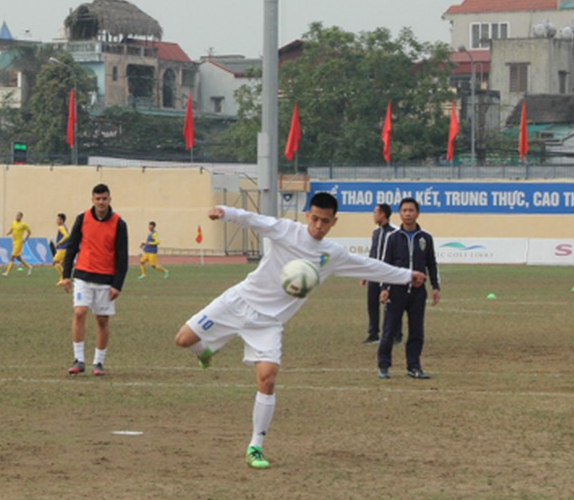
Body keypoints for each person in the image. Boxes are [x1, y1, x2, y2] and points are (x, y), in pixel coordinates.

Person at [174, 192, 425, 469]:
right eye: (315, 218)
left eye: (325, 221)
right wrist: (224, 211)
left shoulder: (332, 255)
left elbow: (367, 265)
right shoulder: (286, 231)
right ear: (308, 215)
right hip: (238, 302)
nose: (318, 225)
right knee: (183, 339)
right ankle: (205, 351)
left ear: (334, 222)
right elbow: (254, 220)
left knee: (267, 378)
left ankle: (255, 446)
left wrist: (404, 275)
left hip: (269, 322)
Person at [61, 184, 128, 376]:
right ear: (92, 199)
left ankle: (98, 362)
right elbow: (71, 247)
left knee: (102, 320)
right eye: (98, 199)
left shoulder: (119, 223)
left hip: (106, 279)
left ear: (109, 199)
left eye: (104, 199)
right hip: (83, 275)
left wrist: (117, 285)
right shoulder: (82, 219)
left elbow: (122, 257)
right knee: (80, 312)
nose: (101, 202)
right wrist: (66, 274)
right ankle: (78, 359)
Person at [377, 197, 440, 380]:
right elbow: (385, 265)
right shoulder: (393, 238)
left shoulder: (425, 238)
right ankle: (384, 365)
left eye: (411, 210)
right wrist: (384, 287)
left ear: (417, 213)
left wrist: (435, 286)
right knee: (389, 329)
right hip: (396, 291)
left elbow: (432, 264)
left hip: (418, 293)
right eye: (404, 210)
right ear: (400, 214)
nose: (408, 214)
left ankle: (413, 366)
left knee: (417, 331)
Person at [362, 203, 396, 343]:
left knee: (392, 305)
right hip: (374, 274)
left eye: (376, 212)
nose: (374, 215)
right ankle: (373, 333)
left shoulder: (394, 233)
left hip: (388, 274)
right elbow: (372, 253)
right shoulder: (375, 233)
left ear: (383, 214)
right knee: (372, 303)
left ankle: (395, 334)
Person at [2, 212, 32, 276]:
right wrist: (8, 233)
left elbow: (29, 232)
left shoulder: (23, 224)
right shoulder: (13, 223)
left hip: (19, 242)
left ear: (21, 217)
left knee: (12, 256)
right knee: (18, 258)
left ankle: (7, 272)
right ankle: (29, 267)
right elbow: (12, 230)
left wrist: (25, 239)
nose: (17, 217)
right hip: (14, 242)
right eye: (17, 215)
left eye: (19, 216)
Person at [52, 213, 70, 286]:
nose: (57, 221)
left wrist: (59, 242)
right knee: (62, 264)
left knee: (55, 262)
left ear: (62, 220)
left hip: (62, 248)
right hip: (66, 248)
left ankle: (63, 276)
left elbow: (66, 236)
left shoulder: (61, 227)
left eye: (58, 219)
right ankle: (62, 280)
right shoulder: (65, 226)